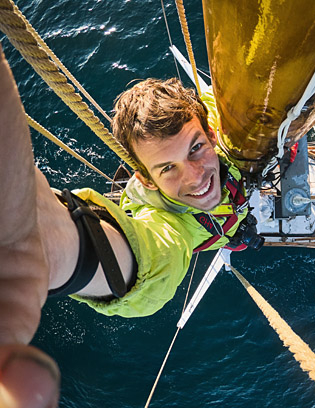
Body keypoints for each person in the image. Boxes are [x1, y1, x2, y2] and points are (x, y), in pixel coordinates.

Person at [0, 41, 257, 406]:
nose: (196, 176)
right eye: (167, 169)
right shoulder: (170, 224)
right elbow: (151, 254)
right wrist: (59, 246)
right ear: (147, 180)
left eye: (196, 148)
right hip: (222, 229)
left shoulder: (222, 115)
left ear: (211, 134)